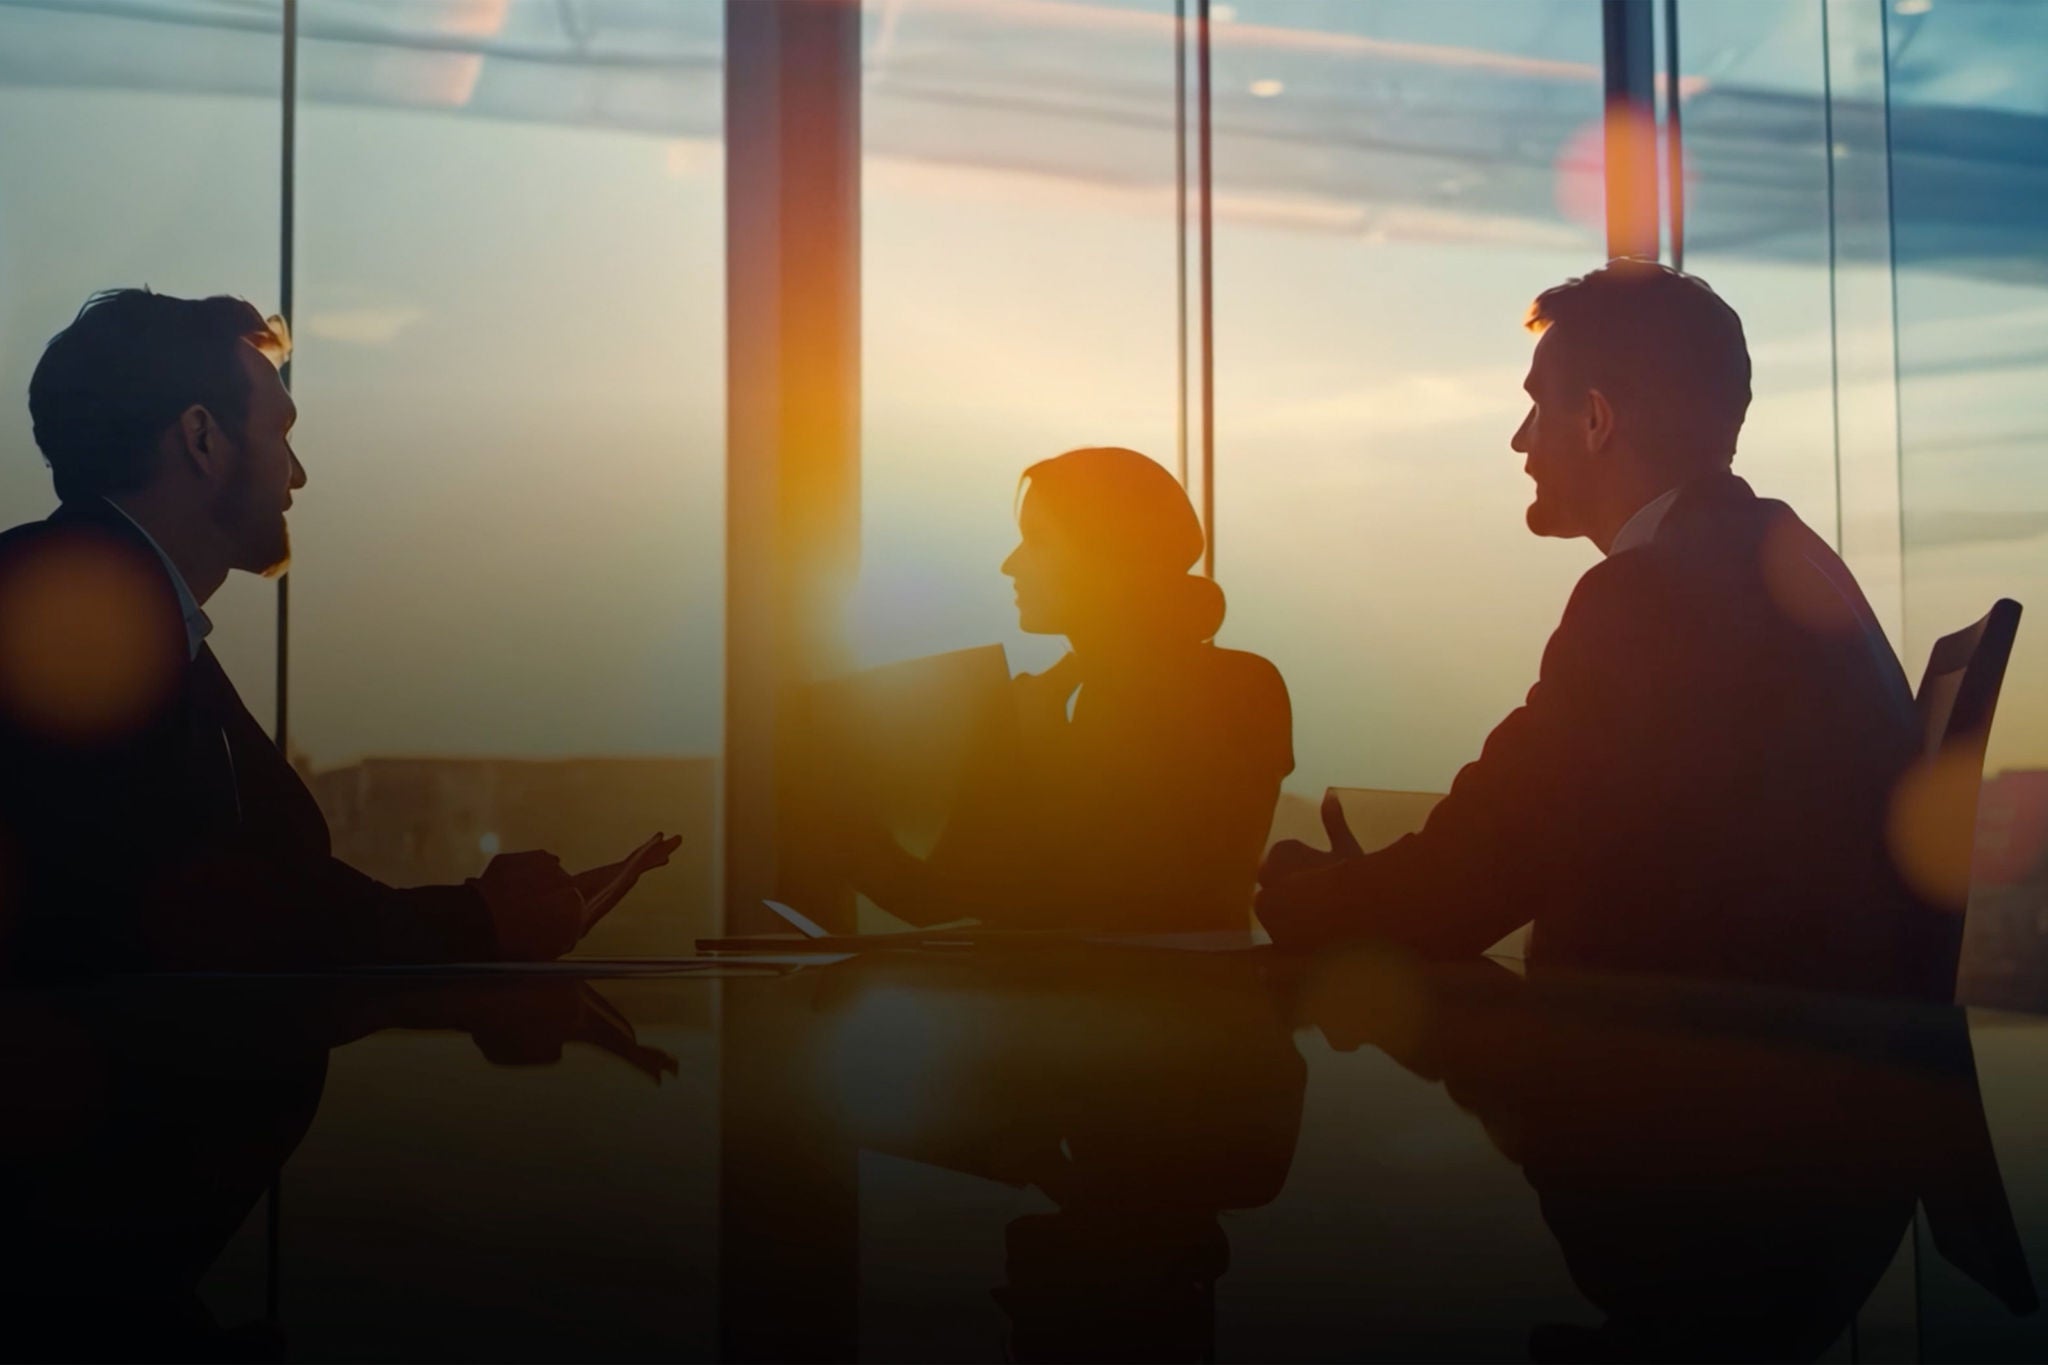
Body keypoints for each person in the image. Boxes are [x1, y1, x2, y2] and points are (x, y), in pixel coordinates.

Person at [1258, 260, 1927, 997]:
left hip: (1699, 1077)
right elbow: (1529, 824)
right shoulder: (1778, 563)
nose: (1520, 441)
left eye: (1537, 407)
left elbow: (1478, 874)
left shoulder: (1652, 598)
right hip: (1798, 1062)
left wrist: (1300, 895)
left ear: (1597, 419)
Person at [0, 288, 677, 975]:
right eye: (281, 435)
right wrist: (481, 920)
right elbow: (204, 916)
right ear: (202, 438)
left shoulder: (99, 609)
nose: (297, 475)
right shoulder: (69, 632)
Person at [851, 446, 1292, 932]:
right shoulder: (1046, 701)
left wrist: (1039, 740)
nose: (1010, 565)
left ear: (1109, 553)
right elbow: (938, 893)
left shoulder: (1241, 690)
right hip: (1059, 1001)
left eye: (1037, 540)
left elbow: (1132, 891)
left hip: (1172, 1001)